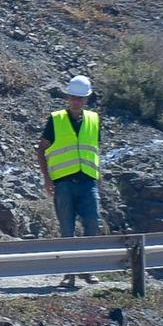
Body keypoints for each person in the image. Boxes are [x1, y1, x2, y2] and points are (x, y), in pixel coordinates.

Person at [37, 75, 102, 239]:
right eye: (73, 97)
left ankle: (90, 262)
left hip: (88, 182)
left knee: (94, 224)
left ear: (86, 99)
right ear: (68, 97)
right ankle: (70, 263)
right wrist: (47, 179)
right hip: (64, 184)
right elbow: (41, 150)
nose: (76, 101)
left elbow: (94, 149)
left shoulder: (94, 120)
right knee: (67, 232)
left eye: (80, 98)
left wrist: (98, 175)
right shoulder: (56, 119)